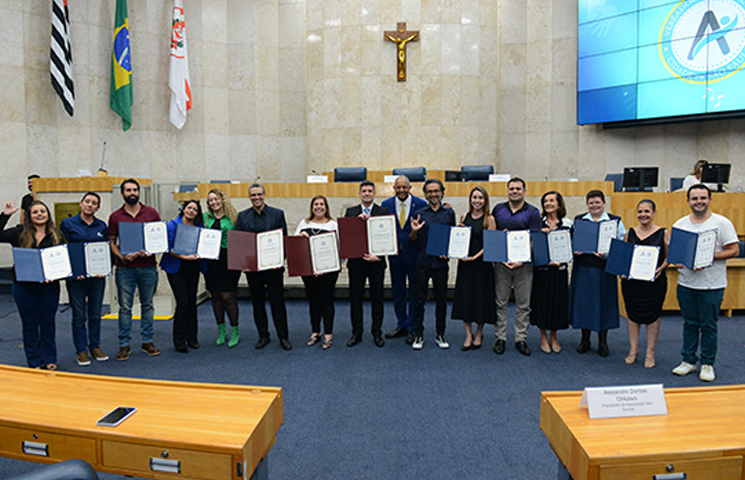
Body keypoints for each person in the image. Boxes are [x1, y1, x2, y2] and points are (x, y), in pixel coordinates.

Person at [671, 184, 738, 382]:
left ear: (709, 199)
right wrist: (683, 260)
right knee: (689, 324)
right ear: (688, 201)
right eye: (694, 198)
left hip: (712, 284)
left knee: (708, 325)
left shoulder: (721, 223)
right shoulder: (680, 224)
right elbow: (676, 255)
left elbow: (733, 250)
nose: (698, 201)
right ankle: (688, 361)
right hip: (686, 283)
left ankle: (707, 363)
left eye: (702, 198)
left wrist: (708, 257)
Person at [0, 199, 65, 370]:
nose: (39, 214)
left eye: (42, 211)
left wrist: (57, 275)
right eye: (35, 212)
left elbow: (64, 261)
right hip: (24, 287)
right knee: (30, 324)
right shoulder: (19, 232)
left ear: (48, 214)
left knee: (48, 323)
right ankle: (34, 361)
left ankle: (50, 358)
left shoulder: (56, 235)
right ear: (29, 215)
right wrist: (4, 215)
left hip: (49, 287)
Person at [108, 178, 162, 360]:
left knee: (148, 305)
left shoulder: (152, 213)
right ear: (122, 194)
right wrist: (120, 255)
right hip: (125, 268)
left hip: (148, 267)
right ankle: (124, 344)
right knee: (124, 308)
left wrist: (150, 250)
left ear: (139, 192)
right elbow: (112, 242)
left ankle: (147, 341)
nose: (132, 193)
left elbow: (159, 239)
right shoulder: (115, 216)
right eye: (128, 190)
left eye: (135, 190)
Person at [235, 183, 292, 351]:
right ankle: (263, 336)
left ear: (265, 195)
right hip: (253, 270)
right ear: (249, 197)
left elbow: (283, 240)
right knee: (257, 303)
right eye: (253, 195)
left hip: (273, 269)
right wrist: (241, 263)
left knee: (277, 302)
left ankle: (283, 337)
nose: (256, 198)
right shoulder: (243, 216)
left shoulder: (277, 214)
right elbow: (239, 243)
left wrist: (280, 260)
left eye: (259, 194)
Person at [569, 189, 626, 357]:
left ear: (603, 203)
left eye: (597, 202)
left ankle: (603, 342)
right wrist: (574, 249)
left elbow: (620, 245)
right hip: (583, 268)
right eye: (591, 203)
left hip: (604, 270)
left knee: (604, 305)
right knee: (584, 305)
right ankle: (584, 340)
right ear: (587, 205)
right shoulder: (579, 220)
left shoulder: (615, 221)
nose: (594, 205)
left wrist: (607, 254)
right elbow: (571, 241)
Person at [491, 177, 541, 356]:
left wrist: (523, 260)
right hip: (502, 263)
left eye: (518, 189)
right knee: (500, 302)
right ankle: (500, 338)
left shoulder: (533, 212)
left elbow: (535, 240)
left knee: (523, 304)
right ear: (507, 190)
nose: (514, 191)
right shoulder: (498, 209)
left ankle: (521, 338)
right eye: (511, 188)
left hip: (524, 264)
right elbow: (493, 234)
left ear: (524, 191)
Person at [60, 192, 110, 366]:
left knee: (95, 314)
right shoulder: (68, 224)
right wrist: (73, 271)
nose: (90, 205)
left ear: (98, 207)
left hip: (96, 278)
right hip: (76, 278)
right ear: (81, 204)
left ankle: (95, 346)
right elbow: (64, 249)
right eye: (87, 201)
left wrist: (103, 268)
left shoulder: (101, 226)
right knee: (79, 315)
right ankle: (81, 351)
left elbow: (105, 250)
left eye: (94, 203)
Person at [620, 199, 669, 369]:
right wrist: (623, 270)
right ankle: (633, 350)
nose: (643, 215)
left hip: (654, 282)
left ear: (654, 213)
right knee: (632, 316)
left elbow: (668, 258)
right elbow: (625, 256)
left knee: (652, 317)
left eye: (647, 211)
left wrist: (661, 268)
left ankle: (650, 352)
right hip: (632, 283)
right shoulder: (630, 232)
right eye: (640, 211)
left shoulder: (663, 233)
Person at [409, 178, 456, 350]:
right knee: (419, 300)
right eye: (429, 191)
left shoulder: (449, 213)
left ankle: (440, 334)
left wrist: (449, 252)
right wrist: (414, 231)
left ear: (442, 192)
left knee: (441, 301)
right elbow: (412, 240)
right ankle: (418, 334)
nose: (433, 194)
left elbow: (452, 237)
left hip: (441, 264)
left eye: (436, 191)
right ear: (425, 194)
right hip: (422, 262)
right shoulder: (419, 213)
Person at [381, 175, 427, 344]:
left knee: (415, 293)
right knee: (398, 292)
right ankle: (402, 324)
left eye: (404, 187)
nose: (401, 190)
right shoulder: (385, 205)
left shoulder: (421, 204)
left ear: (410, 188)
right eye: (398, 187)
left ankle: (413, 328)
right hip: (395, 257)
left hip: (415, 257)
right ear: (394, 188)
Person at [451, 186, 496, 350]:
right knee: (466, 299)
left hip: (482, 265)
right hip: (465, 265)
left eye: (480, 198)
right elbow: (459, 239)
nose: (477, 201)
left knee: (480, 299)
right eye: (474, 197)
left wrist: (475, 257)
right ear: (470, 200)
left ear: (485, 200)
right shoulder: (464, 216)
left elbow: (490, 244)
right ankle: (468, 334)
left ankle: (479, 333)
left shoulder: (489, 219)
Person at [344, 180, 388, 348]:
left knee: (377, 299)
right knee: (356, 299)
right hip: (356, 263)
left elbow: (388, 238)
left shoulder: (382, 211)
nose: (367, 193)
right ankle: (356, 333)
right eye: (364, 191)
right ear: (359, 194)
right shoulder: (351, 212)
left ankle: (377, 333)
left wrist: (379, 256)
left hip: (376, 262)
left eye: (370, 191)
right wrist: (357, 221)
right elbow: (347, 236)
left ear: (374, 193)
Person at [160, 200, 206, 353]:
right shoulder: (172, 225)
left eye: (195, 209)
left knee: (192, 302)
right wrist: (184, 257)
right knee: (183, 302)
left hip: (193, 267)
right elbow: (168, 247)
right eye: (189, 208)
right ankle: (179, 341)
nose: (191, 211)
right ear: (183, 209)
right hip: (176, 268)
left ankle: (192, 337)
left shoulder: (199, 227)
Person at [530, 191, 571, 354]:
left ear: (559, 204)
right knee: (542, 303)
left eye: (552, 201)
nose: (548, 204)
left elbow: (571, 247)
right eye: (545, 201)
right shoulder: (538, 223)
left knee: (557, 304)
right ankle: (543, 336)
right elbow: (533, 246)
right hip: (542, 270)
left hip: (559, 270)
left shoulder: (567, 224)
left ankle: (554, 336)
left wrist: (562, 260)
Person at [296, 195, 339, 349]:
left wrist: (324, 267)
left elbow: (339, 249)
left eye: (322, 204)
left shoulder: (333, 225)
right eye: (316, 204)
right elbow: (295, 246)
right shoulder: (304, 223)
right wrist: (300, 237)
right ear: (311, 207)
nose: (319, 207)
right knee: (313, 301)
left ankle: (328, 334)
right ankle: (315, 331)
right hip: (308, 271)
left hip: (328, 272)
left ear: (326, 207)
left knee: (327, 301)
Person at [204, 189, 241, 347]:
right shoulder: (205, 218)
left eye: (216, 199)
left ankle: (235, 331)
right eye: (210, 200)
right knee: (216, 298)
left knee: (228, 297)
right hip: (211, 261)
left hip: (229, 259)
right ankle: (221, 331)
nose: (214, 202)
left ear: (222, 199)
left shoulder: (234, 217)